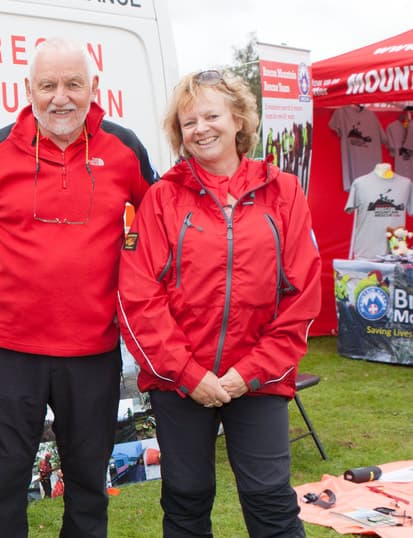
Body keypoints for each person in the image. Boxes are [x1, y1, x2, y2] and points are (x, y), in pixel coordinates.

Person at [0, 37, 157, 537]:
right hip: (9, 352)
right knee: (1, 486)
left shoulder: (125, 148)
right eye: (48, 85)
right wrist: (4, 302)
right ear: (29, 89)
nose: (60, 97)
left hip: (92, 351)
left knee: (89, 485)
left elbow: (159, 228)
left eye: (73, 84)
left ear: (94, 88)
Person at [117, 69, 322, 537]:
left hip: (258, 379)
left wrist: (249, 372)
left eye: (211, 115)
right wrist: (189, 374)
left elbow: (303, 295)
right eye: (189, 122)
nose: (201, 128)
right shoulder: (161, 199)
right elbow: (138, 296)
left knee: (270, 499)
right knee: (185, 499)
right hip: (180, 382)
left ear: (238, 120)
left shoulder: (283, 192)